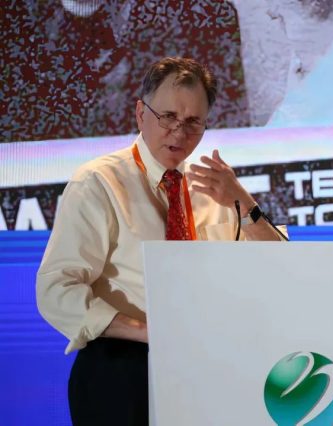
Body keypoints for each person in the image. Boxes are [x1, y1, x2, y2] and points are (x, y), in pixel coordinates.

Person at [36, 57, 283, 425]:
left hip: (206, 370)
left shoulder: (216, 188)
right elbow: (56, 289)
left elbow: (282, 270)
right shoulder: (99, 182)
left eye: (193, 122)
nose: (179, 133)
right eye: (168, 117)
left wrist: (244, 203)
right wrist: (148, 332)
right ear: (141, 113)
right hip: (122, 368)